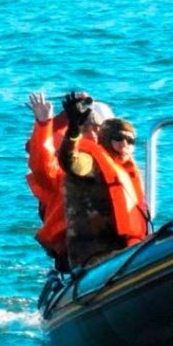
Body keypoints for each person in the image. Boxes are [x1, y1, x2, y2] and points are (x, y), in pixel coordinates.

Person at [58, 93, 149, 269]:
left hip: (125, 251)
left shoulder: (125, 170)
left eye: (130, 141)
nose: (124, 145)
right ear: (106, 138)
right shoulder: (91, 162)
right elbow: (69, 161)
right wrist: (73, 131)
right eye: (118, 139)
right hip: (95, 256)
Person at [25, 91, 113, 271]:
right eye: (88, 127)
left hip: (118, 249)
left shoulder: (118, 164)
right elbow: (42, 165)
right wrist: (44, 124)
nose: (94, 134)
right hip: (79, 255)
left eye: (99, 128)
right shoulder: (64, 169)